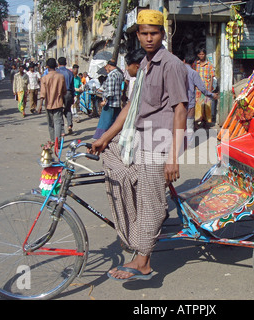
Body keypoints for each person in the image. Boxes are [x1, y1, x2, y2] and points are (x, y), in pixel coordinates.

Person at [90, 9, 188, 281]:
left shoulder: (171, 64)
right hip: (139, 139)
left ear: (162, 34)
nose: (149, 38)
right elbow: (132, 106)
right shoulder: (144, 65)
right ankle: (136, 236)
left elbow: (181, 110)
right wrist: (105, 138)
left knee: (152, 202)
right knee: (116, 170)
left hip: (160, 142)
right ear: (137, 35)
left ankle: (143, 260)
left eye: (154, 33)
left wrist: (173, 157)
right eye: (144, 33)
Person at [182, 53, 218, 146]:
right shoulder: (194, 73)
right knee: (189, 125)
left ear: (184, 61)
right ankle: (189, 146)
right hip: (189, 103)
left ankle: (179, 144)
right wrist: (212, 95)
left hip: (178, 104)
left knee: (179, 124)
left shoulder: (177, 71)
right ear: (193, 62)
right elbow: (202, 89)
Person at [93, 60, 124, 139]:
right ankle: (114, 137)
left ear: (109, 66)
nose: (106, 69)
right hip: (117, 102)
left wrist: (104, 101)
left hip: (110, 103)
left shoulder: (111, 75)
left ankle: (101, 139)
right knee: (115, 122)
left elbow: (110, 92)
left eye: (106, 67)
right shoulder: (119, 74)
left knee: (104, 123)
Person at [38, 58, 67, 142]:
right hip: (58, 103)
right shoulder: (61, 77)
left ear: (47, 67)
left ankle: (53, 140)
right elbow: (64, 90)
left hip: (48, 104)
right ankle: (57, 141)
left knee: (51, 123)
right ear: (56, 66)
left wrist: (40, 106)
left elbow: (42, 93)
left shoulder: (44, 78)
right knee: (58, 123)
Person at [193, 48, 215, 128]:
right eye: (199, 54)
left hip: (206, 89)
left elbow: (212, 77)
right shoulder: (195, 64)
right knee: (198, 107)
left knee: (206, 106)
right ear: (197, 55)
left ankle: (206, 123)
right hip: (198, 90)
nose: (201, 56)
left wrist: (210, 88)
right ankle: (197, 122)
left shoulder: (209, 65)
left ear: (205, 54)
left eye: (202, 54)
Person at [56, 57, 75, 134]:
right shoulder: (70, 73)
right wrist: (73, 95)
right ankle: (69, 125)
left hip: (59, 93)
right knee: (68, 109)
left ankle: (62, 130)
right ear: (66, 63)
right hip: (68, 92)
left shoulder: (56, 72)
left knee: (59, 111)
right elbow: (72, 86)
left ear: (58, 63)